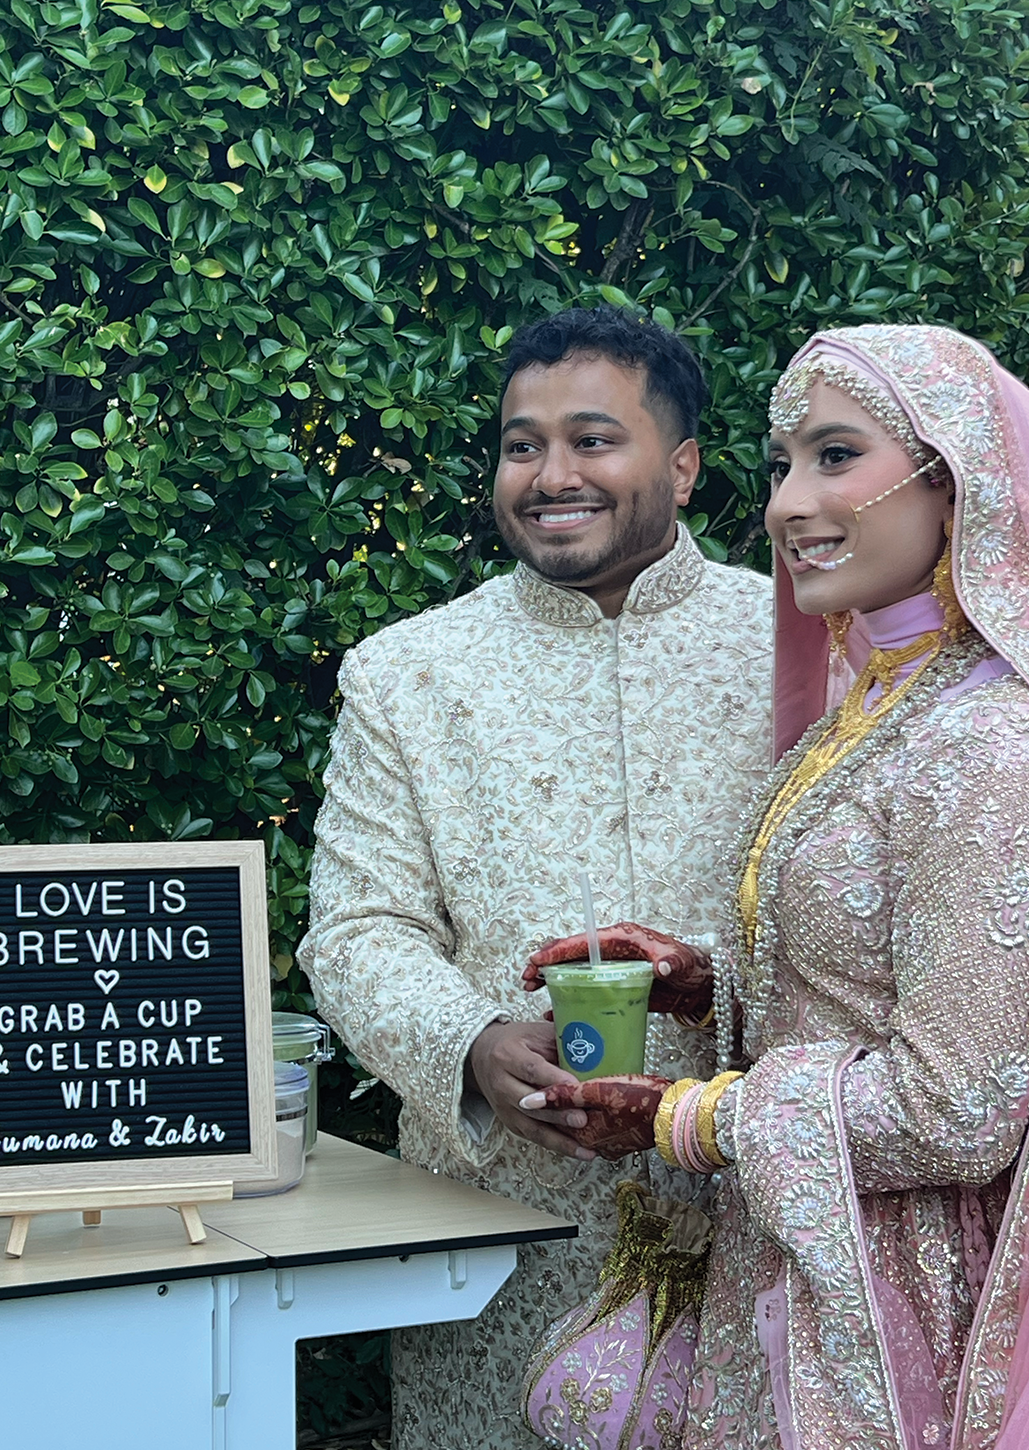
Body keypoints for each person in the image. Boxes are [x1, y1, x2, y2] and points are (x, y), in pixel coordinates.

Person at [527, 323, 1029, 1448]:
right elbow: (860, 988)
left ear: (955, 475)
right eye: (782, 465)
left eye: (837, 457)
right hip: (801, 1269)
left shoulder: (996, 744)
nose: (785, 503)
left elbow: (958, 1109)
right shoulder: (876, 712)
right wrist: (704, 986)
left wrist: (687, 1115)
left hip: (905, 1310)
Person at [298, 306, 773, 1449]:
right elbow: (357, 929)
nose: (552, 474)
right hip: (505, 1238)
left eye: (594, 439)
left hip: (757, 1220)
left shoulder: (802, 643)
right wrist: (470, 1045)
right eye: (523, 445)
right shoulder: (411, 674)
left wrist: (725, 995)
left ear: (685, 466)